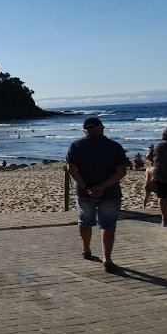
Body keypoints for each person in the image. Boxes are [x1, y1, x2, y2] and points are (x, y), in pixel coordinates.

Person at [66, 117, 128, 274]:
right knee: (108, 225)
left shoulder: (76, 145)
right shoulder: (114, 146)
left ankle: (86, 249)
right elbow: (121, 172)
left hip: (84, 192)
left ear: (85, 130)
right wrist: (102, 186)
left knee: (85, 221)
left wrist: (87, 187)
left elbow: (72, 170)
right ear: (102, 128)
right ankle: (107, 258)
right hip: (110, 192)